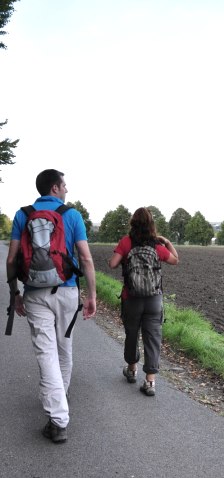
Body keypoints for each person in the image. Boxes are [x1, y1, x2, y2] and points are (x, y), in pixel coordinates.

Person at [6, 169, 97, 444]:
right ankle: (60, 399)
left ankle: (57, 419)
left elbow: (11, 259)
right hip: (67, 290)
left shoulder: (23, 214)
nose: (67, 189)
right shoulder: (72, 215)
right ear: (55, 187)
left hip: (34, 294)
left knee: (46, 353)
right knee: (63, 347)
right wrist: (91, 295)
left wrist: (15, 293)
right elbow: (86, 258)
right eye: (65, 185)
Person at [108, 207, 178, 396]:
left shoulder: (126, 242)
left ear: (133, 223)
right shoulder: (156, 245)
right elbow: (174, 260)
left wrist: (123, 253)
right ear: (151, 224)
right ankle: (150, 382)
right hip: (154, 299)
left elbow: (112, 264)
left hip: (131, 298)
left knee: (132, 335)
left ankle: (132, 370)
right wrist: (167, 242)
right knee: (153, 338)